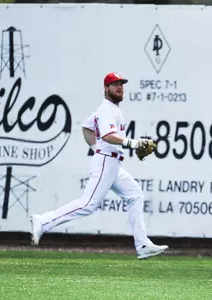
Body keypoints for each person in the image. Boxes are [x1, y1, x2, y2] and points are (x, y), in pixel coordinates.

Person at [30, 72, 169, 260]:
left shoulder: (106, 110)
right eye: (114, 84)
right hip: (106, 161)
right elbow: (107, 136)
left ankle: (142, 244)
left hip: (111, 162)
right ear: (106, 89)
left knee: (135, 195)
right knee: (88, 204)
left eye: (121, 84)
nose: (119, 87)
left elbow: (87, 128)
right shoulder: (107, 110)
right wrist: (133, 143)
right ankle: (44, 221)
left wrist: (96, 148)